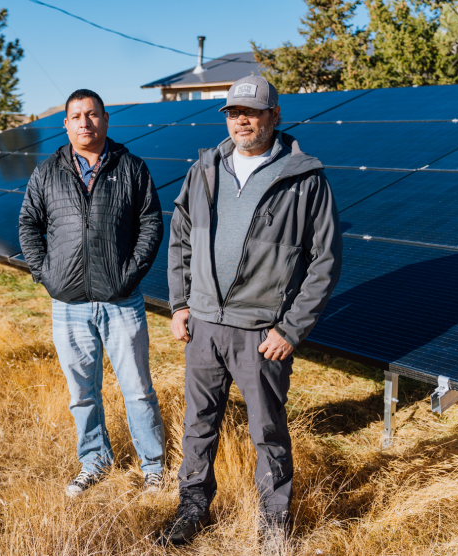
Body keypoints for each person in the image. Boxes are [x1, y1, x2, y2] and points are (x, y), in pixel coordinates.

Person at [162, 75, 342, 544]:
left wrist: (291, 328)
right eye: (233, 112)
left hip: (261, 334)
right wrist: (180, 303)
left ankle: (274, 523)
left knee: (268, 431)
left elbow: (325, 262)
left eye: (253, 111)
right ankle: (192, 507)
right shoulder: (204, 170)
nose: (242, 120)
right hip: (202, 326)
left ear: (274, 115)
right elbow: (180, 238)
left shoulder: (304, 179)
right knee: (199, 425)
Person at [18, 89, 166, 497]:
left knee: (137, 388)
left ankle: (153, 465)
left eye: (93, 115)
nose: (85, 122)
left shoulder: (132, 168)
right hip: (68, 303)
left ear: (105, 120)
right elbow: (28, 225)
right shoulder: (47, 172)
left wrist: (129, 276)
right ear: (64, 124)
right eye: (76, 116)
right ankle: (94, 460)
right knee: (82, 393)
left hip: (121, 301)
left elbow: (151, 224)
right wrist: (48, 276)